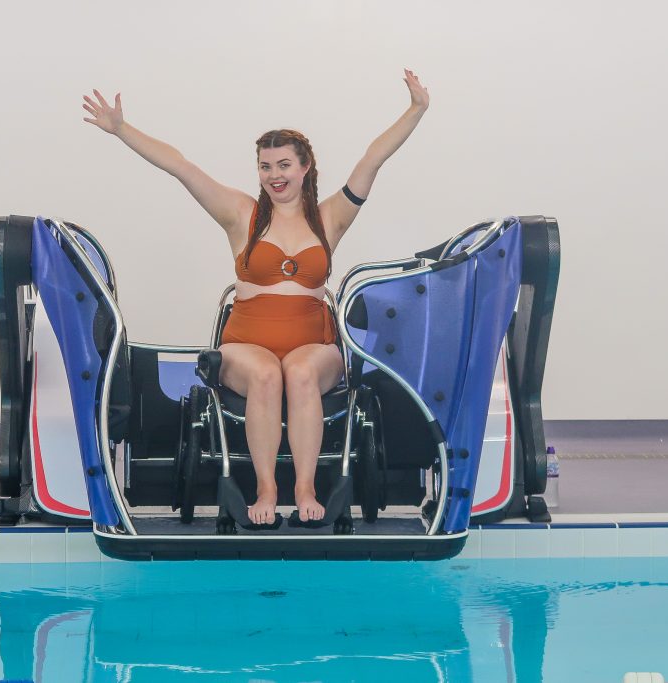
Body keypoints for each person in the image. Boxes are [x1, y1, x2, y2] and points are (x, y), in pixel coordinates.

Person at [82, 69, 429, 524]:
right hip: (246, 346)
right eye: (265, 166)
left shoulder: (330, 218)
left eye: (283, 165)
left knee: (300, 373)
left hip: (314, 345)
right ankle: (266, 491)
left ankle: (304, 490)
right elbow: (181, 166)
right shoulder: (239, 214)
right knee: (268, 376)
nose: (273, 175)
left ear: (305, 167)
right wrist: (123, 130)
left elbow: (371, 160)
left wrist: (416, 109)